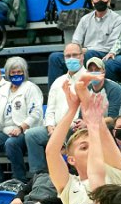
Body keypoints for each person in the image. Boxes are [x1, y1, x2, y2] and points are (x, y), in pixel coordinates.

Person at [0, 56, 43, 186]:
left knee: (11, 143)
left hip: (26, 131)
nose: (16, 74)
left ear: (24, 72)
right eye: (13, 72)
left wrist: (20, 128)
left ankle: (19, 179)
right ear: (8, 73)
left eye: (19, 72)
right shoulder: (3, 90)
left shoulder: (31, 88)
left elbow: (36, 113)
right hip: (6, 131)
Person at [25, 42, 87, 177]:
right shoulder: (58, 81)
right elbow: (50, 109)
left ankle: (73, 174)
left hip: (75, 127)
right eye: (68, 56)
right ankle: (39, 176)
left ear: (82, 56)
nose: (71, 59)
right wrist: (50, 126)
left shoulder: (88, 79)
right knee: (31, 135)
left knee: (70, 132)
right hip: (55, 128)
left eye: (75, 55)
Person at [47, 0, 121, 88]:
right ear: (92, 2)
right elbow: (76, 41)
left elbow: (111, 46)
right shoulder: (85, 19)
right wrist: (77, 51)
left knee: (89, 54)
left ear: (109, 0)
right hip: (84, 53)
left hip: (103, 55)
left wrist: (86, 50)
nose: (100, 0)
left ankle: (84, 89)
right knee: (55, 57)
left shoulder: (118, 20)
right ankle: (54, 92)